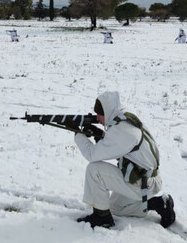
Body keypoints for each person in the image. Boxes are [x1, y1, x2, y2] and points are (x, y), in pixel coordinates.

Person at [75, 91, 175, 229]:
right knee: (115, 208)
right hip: (146, 178)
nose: (97, 118)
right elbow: (124, 149)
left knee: (94, 170)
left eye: (99, 114)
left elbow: (91, 155)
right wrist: (101, 136)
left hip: (142, 182)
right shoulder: (126, 120)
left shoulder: (122, 131)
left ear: (108, 111)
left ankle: (101, 218)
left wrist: (78, 134)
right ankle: (157, 204)